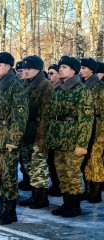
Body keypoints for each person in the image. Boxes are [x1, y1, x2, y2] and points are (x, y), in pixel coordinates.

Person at [0, 52, 29, 225]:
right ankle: (2, 209)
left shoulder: (16, 87)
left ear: (8, 67)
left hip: (7, 138)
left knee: (9, 176)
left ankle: (10, 211)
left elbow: (19, 117)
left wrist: (13, 139)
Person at [46, 56, 94, 218]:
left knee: (72, 173)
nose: (60, 69)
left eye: (64, 67)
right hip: (59, 138)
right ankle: (66, 203)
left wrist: (82, 144)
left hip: (73, 139)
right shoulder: (58, 89)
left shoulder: (81, 91)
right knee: (61, 173)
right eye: (60, 66)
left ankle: (74, 205)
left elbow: (86, 120)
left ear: (73, 70)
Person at [19, 55, 53, 209]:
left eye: (29, 69)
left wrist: (42, 135)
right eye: (24, 68)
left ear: (38, 70)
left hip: (39, 129)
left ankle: (41, 196)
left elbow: (47, 112)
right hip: (27, 130)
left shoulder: (45, 85)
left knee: (39, 165)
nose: (25, 71)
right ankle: (34, 194)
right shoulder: (25, 84)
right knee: (29, 165)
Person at [79, 58, 104, 203]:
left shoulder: (100, 87)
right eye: (81, 68)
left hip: (99, 127)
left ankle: (96, 191)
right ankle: (88, 189)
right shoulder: (83, 86)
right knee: (87, 160)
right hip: (87, 128)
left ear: (92, 70)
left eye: (84, 68)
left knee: (96, 160)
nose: (81, 71)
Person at [46, 64, 62, 197]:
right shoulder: (51, 88)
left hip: (60, 130)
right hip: (51, 128)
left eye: (52, 73)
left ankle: (58, 185)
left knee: (58, 161)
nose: (49, 76)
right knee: (51, 160)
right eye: (48, 73)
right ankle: (55, 184)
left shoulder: (60, 88)